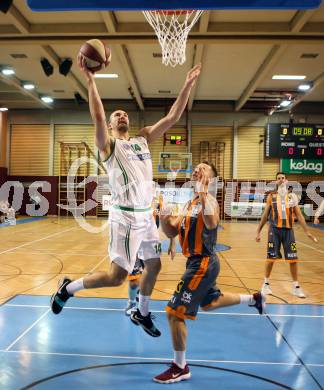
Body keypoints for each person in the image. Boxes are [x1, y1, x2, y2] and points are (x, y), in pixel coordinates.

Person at [50, 53, 201, 338]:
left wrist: (188, 85)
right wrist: (91, 79)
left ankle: (142, 313)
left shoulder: (142, 138)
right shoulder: (108, 146)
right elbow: (96, 114)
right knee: (115, 278)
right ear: (109, 125)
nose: (122, 115)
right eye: (116, 114)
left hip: (146, 219)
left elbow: (173, 117)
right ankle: (67, 288)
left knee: (154, 266)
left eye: (125, 113)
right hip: (124, 219)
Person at [153, 162, 265, 384]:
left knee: (174, 313)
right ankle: (253, 299)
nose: (197, 169)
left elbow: (212, 223)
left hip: (203, 263)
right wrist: (164, 218)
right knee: (209, 302)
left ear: (211, 180)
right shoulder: (189, 202)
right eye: (196, 167)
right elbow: (171, 230)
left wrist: (204, 193)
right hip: (196, 263)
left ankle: (180, 366)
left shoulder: (209, 200)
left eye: (203, 168)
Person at [256, 172, 317, 298]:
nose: (281, 180)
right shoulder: (271, 196)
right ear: (276, 181)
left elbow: (299, 215)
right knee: (271, 258)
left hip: (289, 231)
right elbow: (265, 215)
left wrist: (307, 232)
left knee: (293, 260)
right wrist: (258, 231)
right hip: (274, 230)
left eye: (282, 178)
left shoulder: (292, 197)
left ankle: (296, 286)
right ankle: (265, 284)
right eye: (278, 178)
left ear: (286, 180)